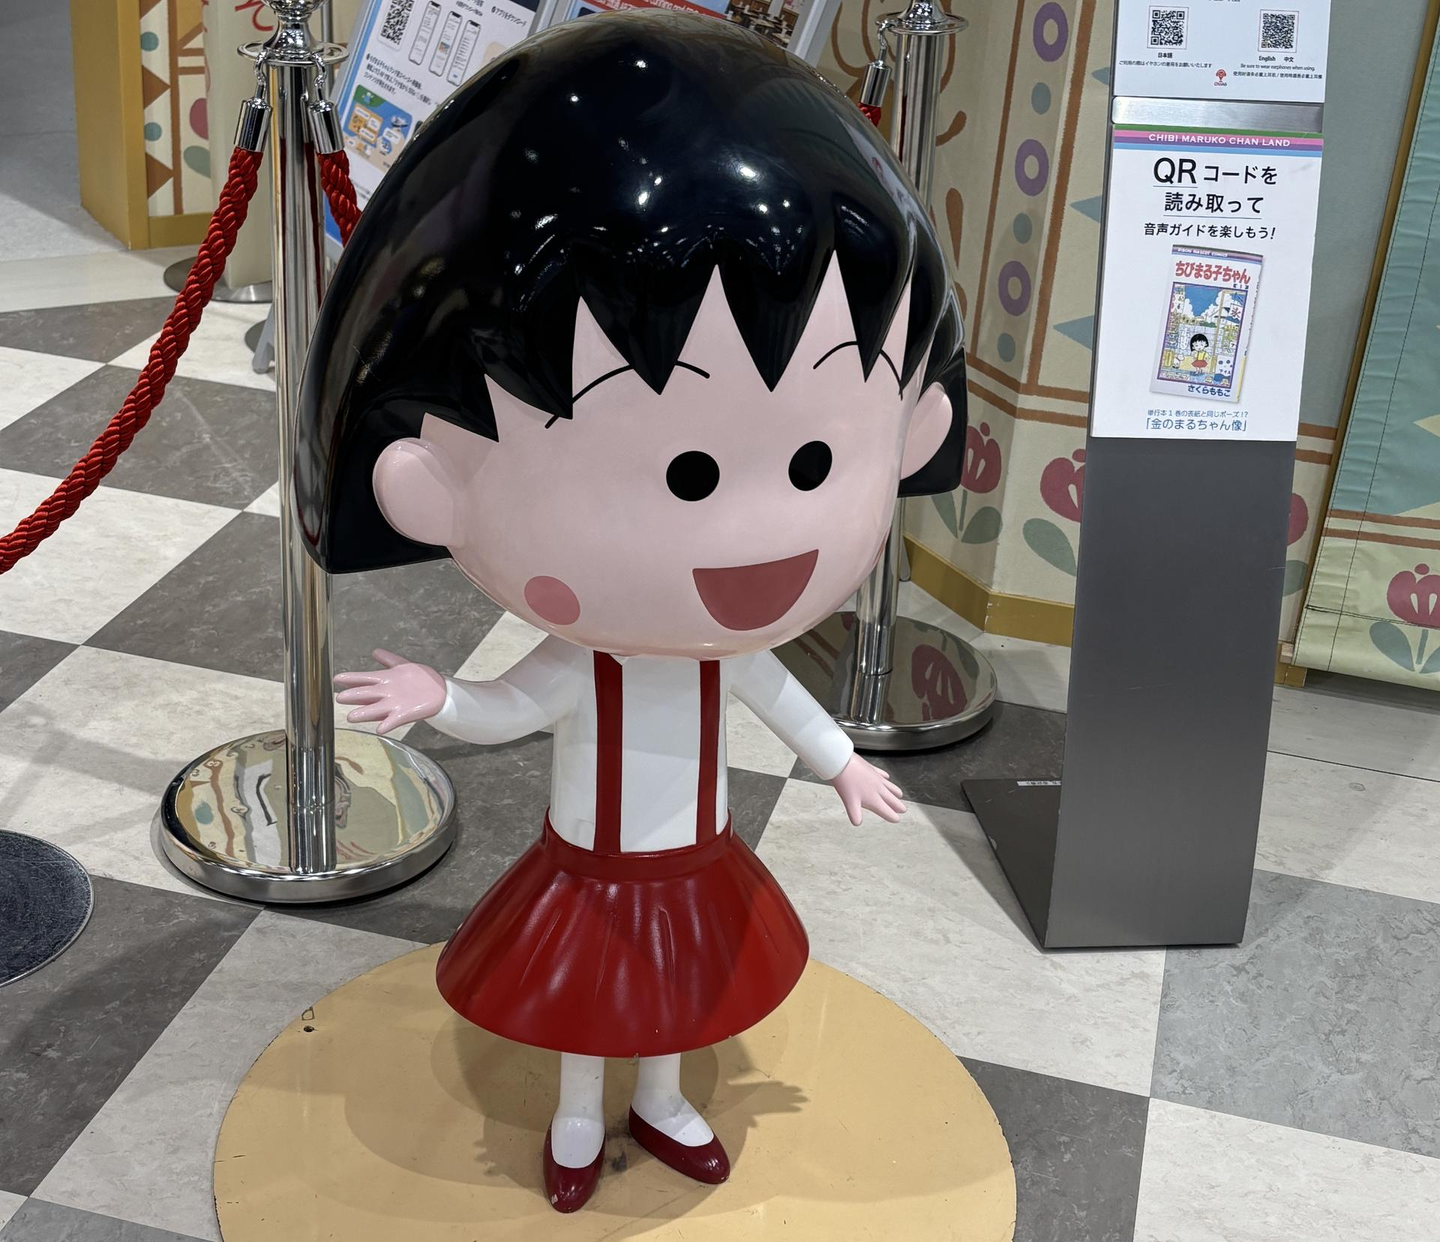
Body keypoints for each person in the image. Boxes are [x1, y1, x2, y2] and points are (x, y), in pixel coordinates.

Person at [295, 11, 967, 1213]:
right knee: (590, 1007)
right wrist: (439, 695)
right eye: (691, 477)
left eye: (815, 466)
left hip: (694, 861)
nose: (758, 539)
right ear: (428, 482)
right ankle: (575, 1117)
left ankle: (662, 1102)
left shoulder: (722, 658)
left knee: (676, 1004)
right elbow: (512, 709)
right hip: (593, 871)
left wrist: (842, 766)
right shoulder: (587, 664)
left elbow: (781, 698)